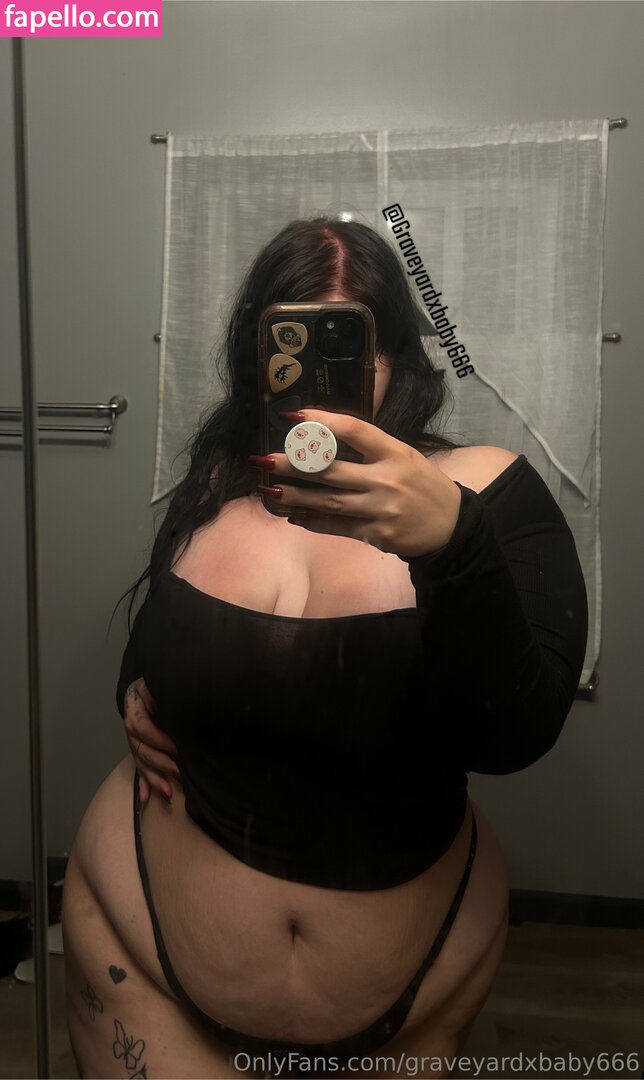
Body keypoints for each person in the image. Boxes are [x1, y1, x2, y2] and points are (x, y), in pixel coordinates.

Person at [61, 217, 588, 1080]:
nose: (317, 384)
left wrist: (453, 542)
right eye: (292, 347)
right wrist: (134, 688)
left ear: (397, 358)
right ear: (257, 358)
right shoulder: (220, 481)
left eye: (347, 350)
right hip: (140, 942)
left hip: (414, 984)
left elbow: (516, 732)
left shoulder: (484, 488)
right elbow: (163, 628)